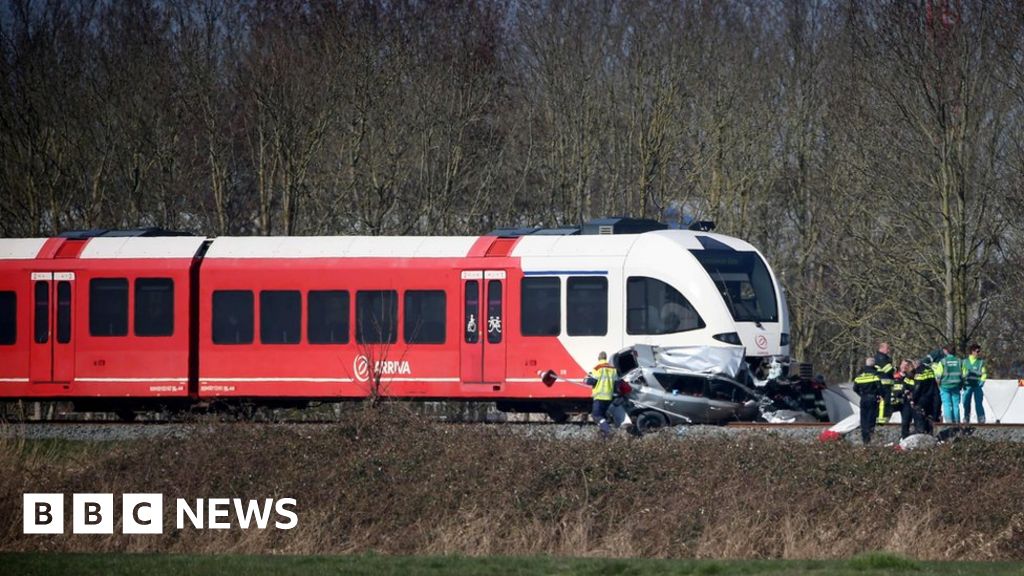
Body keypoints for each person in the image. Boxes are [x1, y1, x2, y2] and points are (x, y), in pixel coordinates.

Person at [585, 351, 617, 436]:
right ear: (605, 358)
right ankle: (605, 436)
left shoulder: (597, 368)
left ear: (598, 358)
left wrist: (585, 380)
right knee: (603, 416)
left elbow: (592, 381)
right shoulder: (613, 368)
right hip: (609, 397)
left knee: (597, 416)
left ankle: (608, 431)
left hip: (599, 396)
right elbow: (617, 382)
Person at [853, 357, 883, 444]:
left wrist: (861, 394)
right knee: (871, 418)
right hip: (873, 398)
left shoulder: (860, 376)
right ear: (874, 365)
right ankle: (870, 438)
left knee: (864, 419)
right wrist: (880, 395)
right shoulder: (875, 375)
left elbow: (855, 388)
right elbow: (880, 388)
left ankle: (864, 439)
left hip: (863, 399)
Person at [932, 344, 963, 424]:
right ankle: (957, 422)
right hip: (956, 385)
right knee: (956, 405)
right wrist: (961, 384)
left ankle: (949, 421)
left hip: (945, 386)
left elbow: (938, 375)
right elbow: (964, 374)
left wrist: (939, 385)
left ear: (946, 351)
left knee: (947, 404)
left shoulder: (943, 362)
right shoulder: (959, 361)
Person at [962, 343, 987, 424]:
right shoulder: (964, 362)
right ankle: (966, 417)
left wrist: (982, 381)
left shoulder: (980, 362)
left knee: (979, 403)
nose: (979, 353)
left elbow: (984, 373)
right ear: (972, 351)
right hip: (967, 386)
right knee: (966, 403)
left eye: (979, 351)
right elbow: (962, 373)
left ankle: (981, 418)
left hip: (977, 386)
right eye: (977, 351)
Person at [911, 359, 937, 435]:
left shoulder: (919, 372)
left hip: (922, 397)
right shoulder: (929, 370)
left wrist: (913, 398)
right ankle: (930, 432)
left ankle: (920, 431)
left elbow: (917, 387)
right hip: (932, 396)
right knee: (929, 416)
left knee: (918, 413)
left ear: (916, 364)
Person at [892, 359, 916, 439]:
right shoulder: (894, 374)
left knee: (906, 421)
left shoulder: (911, 376)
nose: (904, 367)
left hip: (906, 401)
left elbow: (913, 387)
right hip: (894, 400)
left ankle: (904, 437)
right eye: (903, 365)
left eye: (906, 365)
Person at [874, 342, 895, 424]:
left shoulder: (883, 357)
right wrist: (895, 369)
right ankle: (881, 420)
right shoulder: (881, 358)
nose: (889, 350)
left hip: (886, 384)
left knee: (886, 403)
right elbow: (889, 370)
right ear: (881, 348)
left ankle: (883, 419)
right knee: (884, 403)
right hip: (883, 385)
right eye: (887, 348)